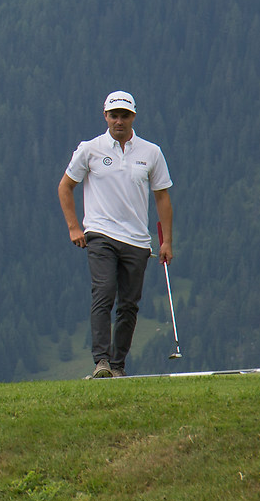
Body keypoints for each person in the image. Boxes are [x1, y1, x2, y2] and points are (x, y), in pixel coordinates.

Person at [58, 89, 174, 379]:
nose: (119, 121)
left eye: (124, 115)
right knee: (104, 293)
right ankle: (101, 362)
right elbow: (65, 187)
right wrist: (74, 227)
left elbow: (162, 197)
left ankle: (118, 366)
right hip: (100, 234)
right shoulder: (90, 149)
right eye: (114, 115)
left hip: (137, 240)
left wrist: (167, 241)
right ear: (105, 116)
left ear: (133, 116)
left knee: (129, 305)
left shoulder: (151, 152)